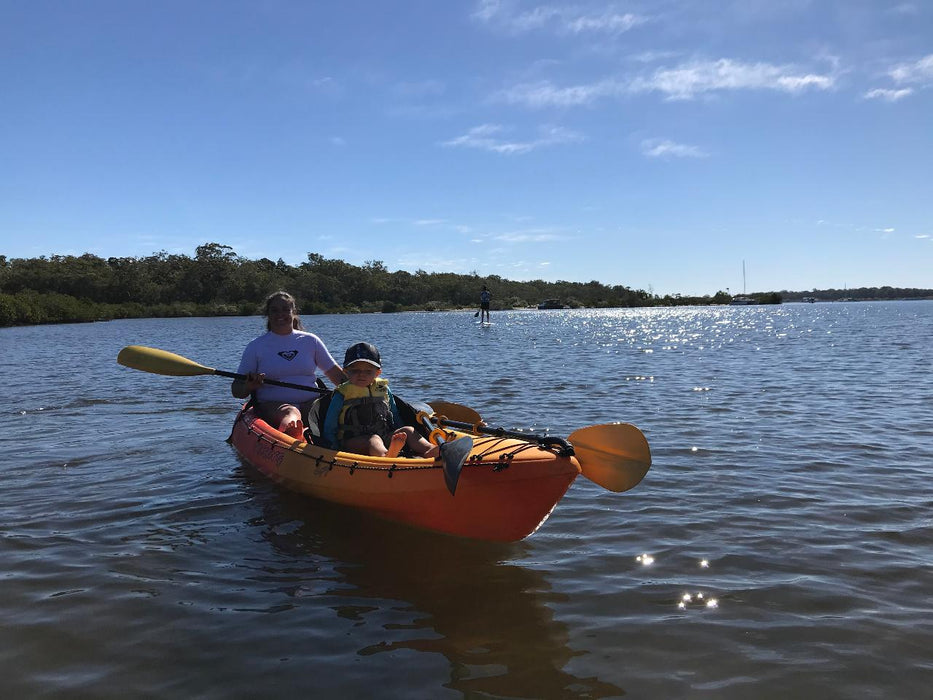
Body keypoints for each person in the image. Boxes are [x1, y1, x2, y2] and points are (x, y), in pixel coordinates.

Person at [232, 291, 347, 439]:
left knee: (331, 412)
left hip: (311, 402)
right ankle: (292, 436)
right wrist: (249, 386)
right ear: (267, 314)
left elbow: (337, 376)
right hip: (273, 405)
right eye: (275, 310)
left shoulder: (311, 341)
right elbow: (237, 391)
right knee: (291, 412)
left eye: (286, 309)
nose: (281, 314)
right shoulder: (256, 346)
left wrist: (361, 389)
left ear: (293, 312)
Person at [322, 342, 439, 458]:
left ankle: (430, 449)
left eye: (368, 371)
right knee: (373, 439)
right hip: (352, 442)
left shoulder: (382, 388)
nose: (361, 375)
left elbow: (394, 414)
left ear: (378, 373)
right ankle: (386, 456)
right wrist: (333, 448)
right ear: (346, 372)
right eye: (355, 370)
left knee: (409, 430)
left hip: (384, 436)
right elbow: (330, 425)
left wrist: (401, 435)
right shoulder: (342, 394)